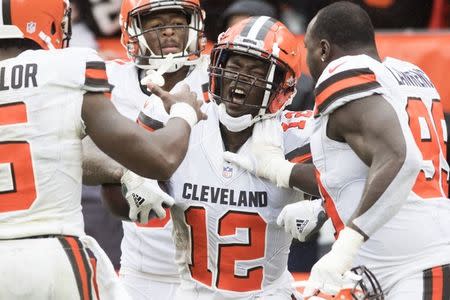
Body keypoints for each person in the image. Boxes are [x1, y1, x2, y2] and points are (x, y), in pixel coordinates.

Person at [225, 2, 450, 299]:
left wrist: (347, 245)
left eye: (307, 48)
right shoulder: (408, 73)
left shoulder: (343, 71)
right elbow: (359, 170)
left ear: (323, 49)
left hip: (411, 265)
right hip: (399, 258)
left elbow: (402, 160)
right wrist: (286, 176)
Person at [0, 0, 206, 299]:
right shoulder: (67, 68)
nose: (169, 33)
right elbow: (160, 160)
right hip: (54, 251)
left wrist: (122, 171)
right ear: (52, 22)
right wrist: (184, 113)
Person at [112, 16, 316, 299]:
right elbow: (114, 198)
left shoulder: (294, 134)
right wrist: (130, 176)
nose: (240, 79)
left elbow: (352, 179)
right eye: (234, 66)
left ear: (283, 86)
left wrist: (321, 205)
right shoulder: (178, 120)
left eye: (256, 72)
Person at [82, 0, 209, 299]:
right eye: (156, 25)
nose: (169, 33)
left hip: (216, 270)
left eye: (178, 23)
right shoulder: (111, 81)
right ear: (132, 32)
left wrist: (128, 156)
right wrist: (126, 169)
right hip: (143, 270)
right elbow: (73, 152)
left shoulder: (218, 81)